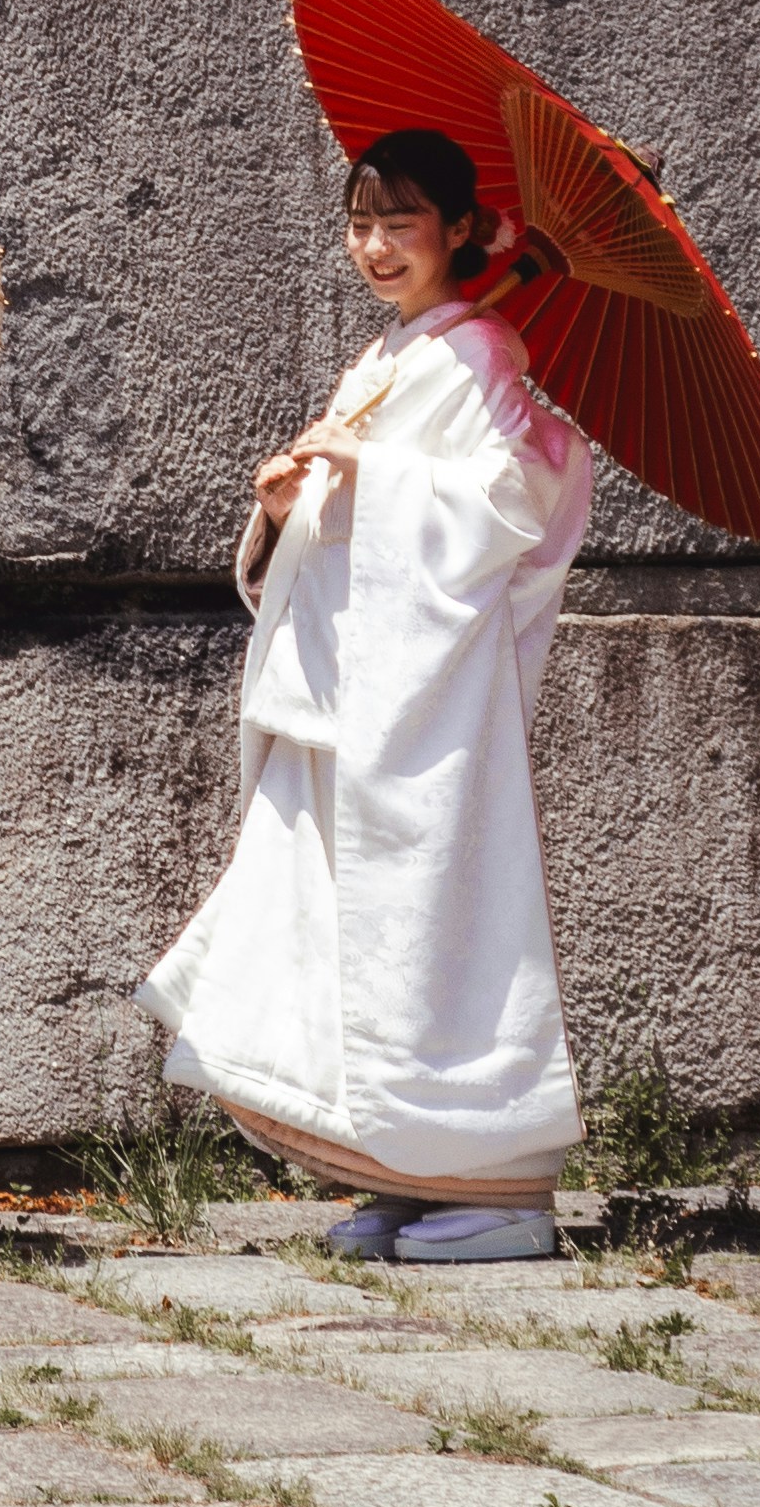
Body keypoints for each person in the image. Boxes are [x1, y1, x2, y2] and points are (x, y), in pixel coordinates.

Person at [138, 127, 597, 1264]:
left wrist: (370, 475)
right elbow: (352, 509)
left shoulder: (483, 349)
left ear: (454, 228)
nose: (377, 244)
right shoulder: (399, 349)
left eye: (401, 220)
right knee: (339, 930)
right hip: (350, 687)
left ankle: (495, 1180)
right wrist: (286, 503)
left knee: (431, 920)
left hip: (422, 702)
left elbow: (518, 500)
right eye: (359, 221)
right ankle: (395, 1163)